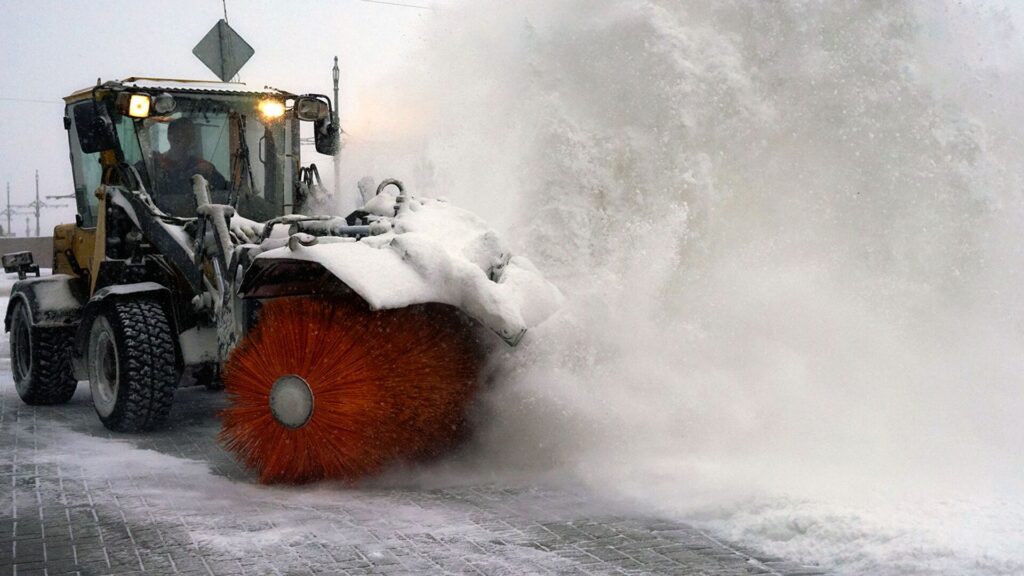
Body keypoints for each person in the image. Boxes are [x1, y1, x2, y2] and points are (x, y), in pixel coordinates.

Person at [149, 117, 227, 215]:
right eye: (177, 134)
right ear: (169, 137)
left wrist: (211, 174)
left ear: (192, 139)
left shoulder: (203, 167)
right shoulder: (155, 165)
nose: (181, 139)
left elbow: (225, 191)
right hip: (163, 220)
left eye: (186, 135)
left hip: (198, 220)